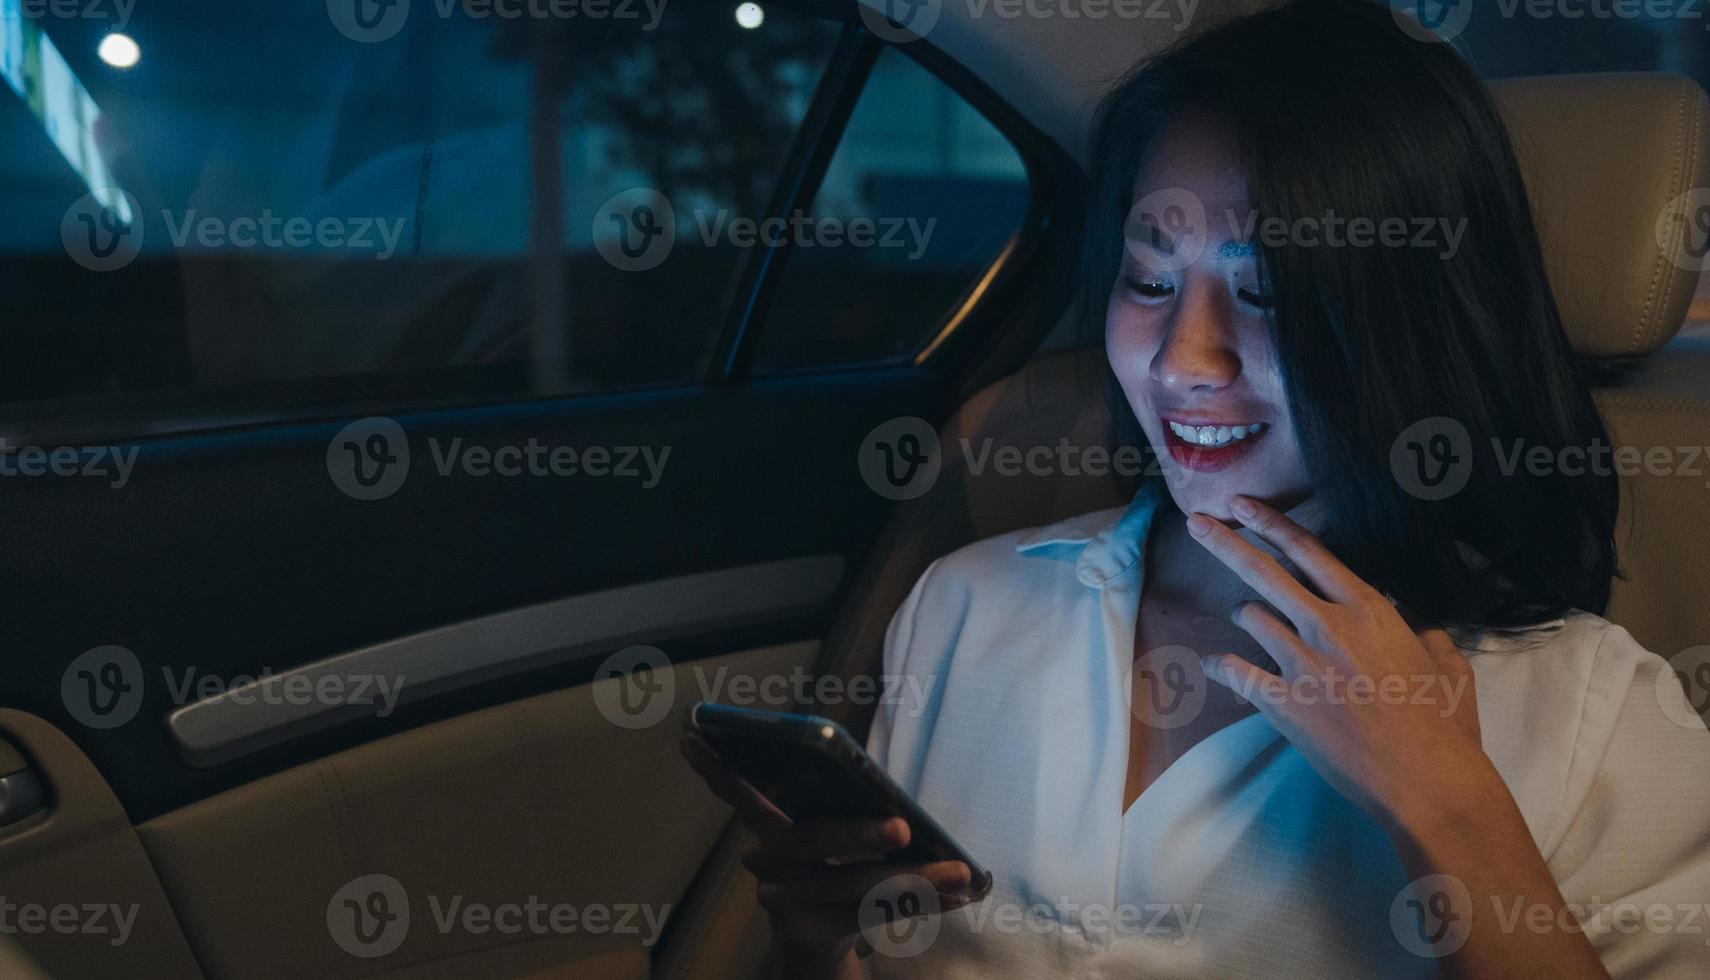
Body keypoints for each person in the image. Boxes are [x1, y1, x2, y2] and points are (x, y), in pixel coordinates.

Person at [683, 1, 1710, 975]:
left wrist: (1448, 807)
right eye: (1147, 279)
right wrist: (824, 949)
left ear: (1417, 315)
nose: (1183, 359)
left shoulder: (1594, 711)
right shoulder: (965, 607)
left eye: (1263, 288)